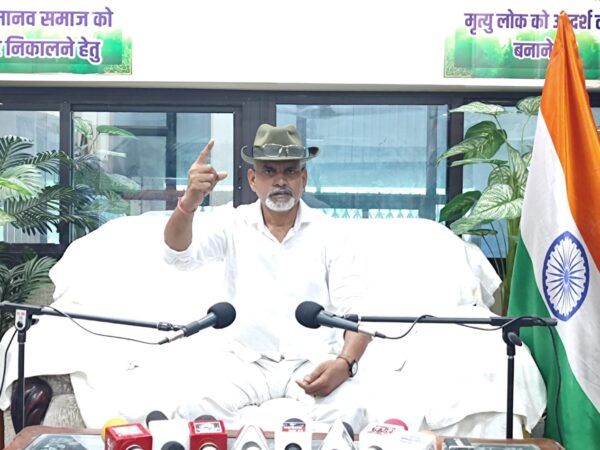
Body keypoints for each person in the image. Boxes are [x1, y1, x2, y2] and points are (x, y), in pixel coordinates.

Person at [163, 123, 370, 430]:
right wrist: (191, 200)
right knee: (194, 406)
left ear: (303, 178)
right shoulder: (232, 223)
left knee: (352, 411)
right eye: (269, 171)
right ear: (253, 179)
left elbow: (357, 311)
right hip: (245, 361)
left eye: (290, 172)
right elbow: (178, 254)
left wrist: (345, 364)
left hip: (309, 361)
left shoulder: (332, 233)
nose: (280, 181)